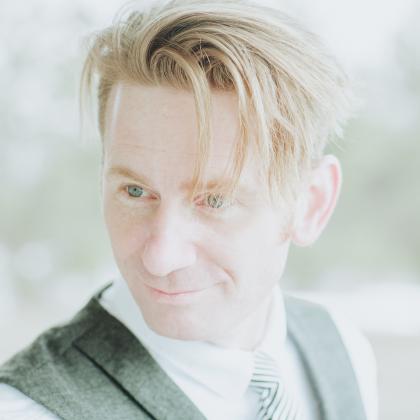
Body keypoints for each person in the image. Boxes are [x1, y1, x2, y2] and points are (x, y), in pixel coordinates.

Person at [0, 0, 378, 419]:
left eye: (215, 200)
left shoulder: (343, 350)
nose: (161, 258)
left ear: (311, 204)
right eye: (135, 191)